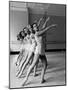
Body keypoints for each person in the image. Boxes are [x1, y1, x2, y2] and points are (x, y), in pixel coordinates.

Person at [21, 17, 57, 86]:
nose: (36, 27)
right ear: (33, 29)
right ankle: (25, 79)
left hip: (42, 51)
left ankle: (41, 79)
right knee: (33, 65)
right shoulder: (37, 33)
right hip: (38, 51)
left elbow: (43, 27)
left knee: (45, 64)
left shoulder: (39, 31)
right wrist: (51, 26)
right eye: (34, 26)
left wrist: (46, 21)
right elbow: (45, 29)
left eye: (36, 25)